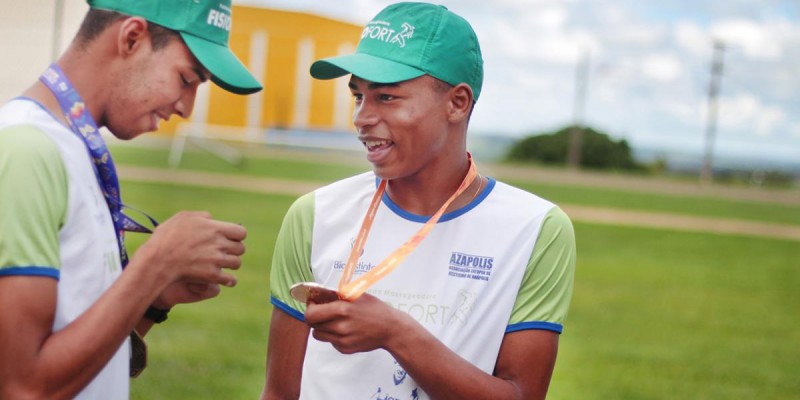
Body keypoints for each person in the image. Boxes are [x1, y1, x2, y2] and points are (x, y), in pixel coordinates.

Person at [262, 2, 575, 399]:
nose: (361, 116)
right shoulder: (315, 214)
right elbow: (278, 393)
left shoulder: (535, 229)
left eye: (387, 97)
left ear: (457, 103)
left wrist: (396, 333)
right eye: (359, 95)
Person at [0, 0, 261, 398]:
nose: (187, 108)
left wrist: (152, 302)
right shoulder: (27, 150)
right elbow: (21, 387)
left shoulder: (72, 148)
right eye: (188, 79)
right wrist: (154, 266)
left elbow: (74, 345)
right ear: (132, 37)